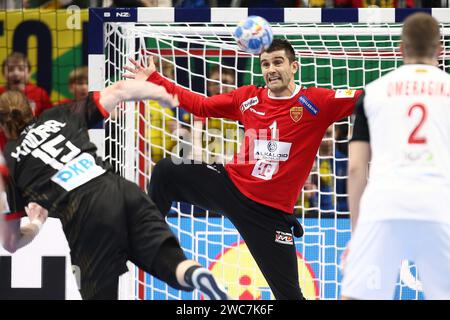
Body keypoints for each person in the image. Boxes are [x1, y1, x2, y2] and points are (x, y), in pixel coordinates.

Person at [124, 39, 362, 300]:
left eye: (278, 62)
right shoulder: (247, 97)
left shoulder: (317, 101)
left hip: (269, 214)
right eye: (265, 64)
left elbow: (365, 98)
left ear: (294, 66)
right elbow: (200, 105)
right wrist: (156, 78)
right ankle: (147, 241)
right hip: (230, 187)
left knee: (290, 296)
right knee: (167, 171)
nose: (271, 69)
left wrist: (409, 83)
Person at [0, 79, 230, 300]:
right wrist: (163, 95)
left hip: (85, 217)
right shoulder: (58, 115)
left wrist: (37, 223)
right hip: (122, 190)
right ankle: (196, 274)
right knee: (173, 264)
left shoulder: (7, 165)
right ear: (31, 109)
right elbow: (120, 89)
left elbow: (10, 242)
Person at [341, 13, 450, 300]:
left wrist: (357, 234)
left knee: (356, 296)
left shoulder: (373, 92)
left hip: (384, 205)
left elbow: (355, 168)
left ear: (401, 49)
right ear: (440, 50)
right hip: (440, 204)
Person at [0, 52, 52, 150]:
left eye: (21, 69)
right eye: (10, 69)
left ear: (29, 73)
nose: (16, 73)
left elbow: (49, 120)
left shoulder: (39, 93)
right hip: (3, 145)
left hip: (32, 145)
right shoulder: (1, 92)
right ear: (3, 73)